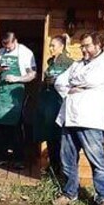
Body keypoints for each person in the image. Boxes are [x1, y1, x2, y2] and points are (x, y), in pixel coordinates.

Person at [51, 32, 104, 205]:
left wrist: (76, 84)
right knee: (67, 160)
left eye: (87, 45)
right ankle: (70, 193)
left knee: (97, 162)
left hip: (91, 121)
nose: (83, 49)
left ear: (100, 45)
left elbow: (91, 80)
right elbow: (59, 82)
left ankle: (103, 198)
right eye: (82, 46)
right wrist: (75, 87)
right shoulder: (77, 64)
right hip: (70, 118)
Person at [0, 32, 37, 169]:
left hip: (16, 94)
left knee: (15, 127)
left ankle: (18, 159)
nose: (7, 49)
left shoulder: (26, 53)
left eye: (9, 46)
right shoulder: (1, 52)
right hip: (0, 94)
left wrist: (17, 79)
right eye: (5, 46)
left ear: (15, 41)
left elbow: (32, 74)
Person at [33, 34, 74, 179]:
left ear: (61, 47)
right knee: (49, 135)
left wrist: (56, 81)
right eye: (50, 45)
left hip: (59, 101)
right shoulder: (50, 62)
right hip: (47, 101)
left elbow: (71, 82)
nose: (50, 48)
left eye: (53, 46)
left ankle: (61, 170)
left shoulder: (69, 63)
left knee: (59, 136)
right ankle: (52, 166)